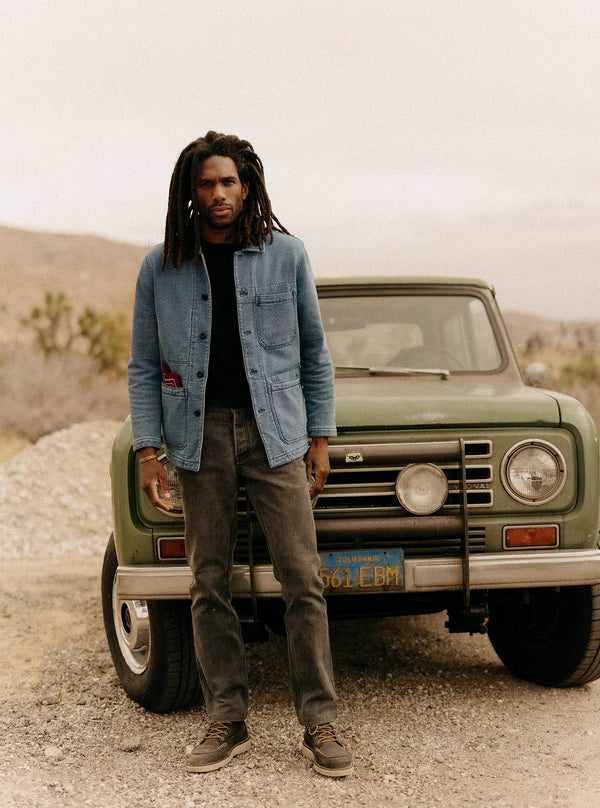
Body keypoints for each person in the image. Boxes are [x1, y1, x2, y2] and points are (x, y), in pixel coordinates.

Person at [127, 131, 353, 778]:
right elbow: (144, 365)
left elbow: (314, 353)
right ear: (190, 193)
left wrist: (319, 438)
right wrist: (150, 450)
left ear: (246, 185)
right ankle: (227, 716)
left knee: (302, 579)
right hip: (198, 439)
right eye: (206, 184)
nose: (218, 194)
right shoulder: (160, 266)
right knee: (207, 582)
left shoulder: (286, 255)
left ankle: (320, 721)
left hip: (276, 432)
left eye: (228, 182)